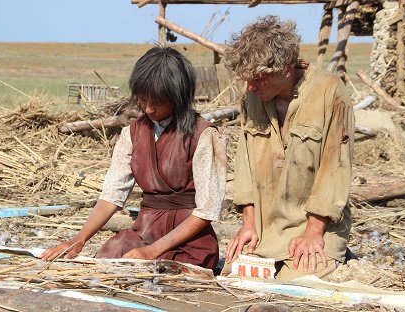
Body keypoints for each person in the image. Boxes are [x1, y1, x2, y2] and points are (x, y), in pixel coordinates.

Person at [41, 46, 227, 270]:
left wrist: (152, 251)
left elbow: (206, 212)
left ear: (178, 98)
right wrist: (79, 239)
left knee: (165, 275)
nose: (148, 109)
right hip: (144, 231)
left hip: (189, 242)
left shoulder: (203, 134)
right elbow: (112, 195)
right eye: (142, 99)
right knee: (105, 263)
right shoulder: (132, 133)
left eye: (158, 102)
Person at [222, 16, 354, 280]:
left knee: (297, 286)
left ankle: (337, 253)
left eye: (259, 79)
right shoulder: (252, 96)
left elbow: (335, 168)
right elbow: (245, 163)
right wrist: (248, 224)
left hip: (316, 225)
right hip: (264, 226)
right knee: (237, 280)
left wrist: (313, 233)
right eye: (247, 79)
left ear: (285, 68)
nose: (250, 87)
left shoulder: (328, 92)